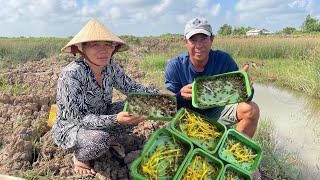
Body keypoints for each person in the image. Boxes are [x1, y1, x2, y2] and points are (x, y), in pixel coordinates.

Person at [51, 18, 158, 175]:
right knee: (99, 141)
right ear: (82, 49)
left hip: (102, 113)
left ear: (113, 48)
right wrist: (116, 120)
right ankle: (80, 156)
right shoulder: (71, 75)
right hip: (74, 126)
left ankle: (110, 136)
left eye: (108, 44)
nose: (103, 50)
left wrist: (159, 96)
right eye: (95, 44)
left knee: (140, 105)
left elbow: (132, 88)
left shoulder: (110, 67)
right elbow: (80, 119)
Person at [165, 17, 260, 139]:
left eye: (204, 39)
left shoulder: (224, 61)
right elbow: (167, 106)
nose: (199, 45)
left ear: (212, 39)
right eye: (193, 40)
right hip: (186, 116)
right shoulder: (175, 66)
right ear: (185, 42)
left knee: (251, 109)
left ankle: (233, 153)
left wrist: (247, 87)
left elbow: (244, 97)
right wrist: (180, 95)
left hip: (217, 113)